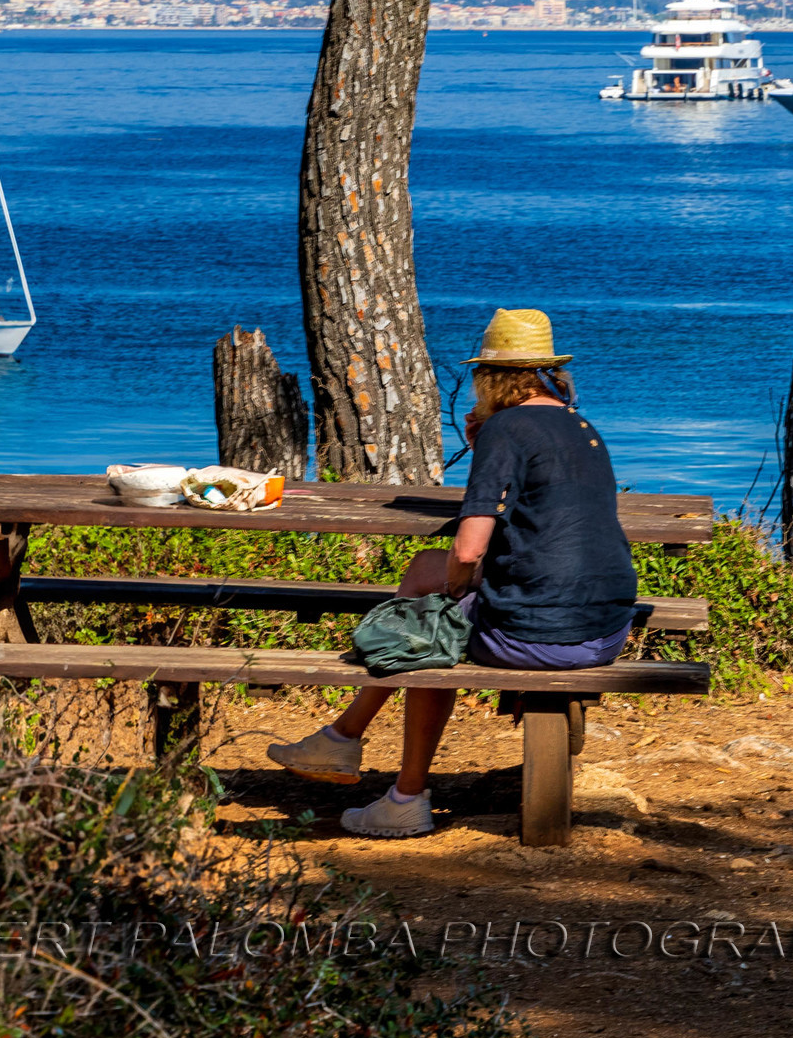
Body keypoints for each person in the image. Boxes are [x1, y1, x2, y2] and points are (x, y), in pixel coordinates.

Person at [266, 307, 637, 837]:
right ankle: (348, 745)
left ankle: (393, 786)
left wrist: (457, 592)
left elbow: (467, 549)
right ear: (545, 373)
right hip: (604, 633)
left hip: (545, 638)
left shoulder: (507, 427)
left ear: (489, 376)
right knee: (429, 594)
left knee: (428, 620)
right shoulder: (580, 426)